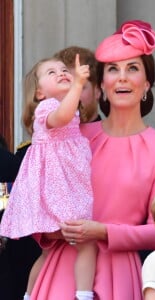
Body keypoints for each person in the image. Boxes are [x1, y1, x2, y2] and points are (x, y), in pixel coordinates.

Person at [26, 20, 155, 300]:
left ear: (146, 84)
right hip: (63, 270)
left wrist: (102, 231)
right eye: (113, 69)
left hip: (119, 273)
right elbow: (37, 201)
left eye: (132, 68)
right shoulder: (73, 137)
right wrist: (57, 232)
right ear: (103, 84)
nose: (122, 77)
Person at [0, 55, 97, 300]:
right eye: (51, 73)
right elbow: (61, 118)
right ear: (40, 92)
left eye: (64, 70)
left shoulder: (67, 108)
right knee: (86, 242)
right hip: (57, 192)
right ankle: (83, 295)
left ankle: (30, 295)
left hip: (62, 188)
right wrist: (77, 85)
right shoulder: (49, 107)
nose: (61, 74)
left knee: (47, 252)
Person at [54, 45, 102, 123]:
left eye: (79, 86)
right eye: (62, 87)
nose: (71, 95)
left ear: (98, 90)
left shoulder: (114, 134)